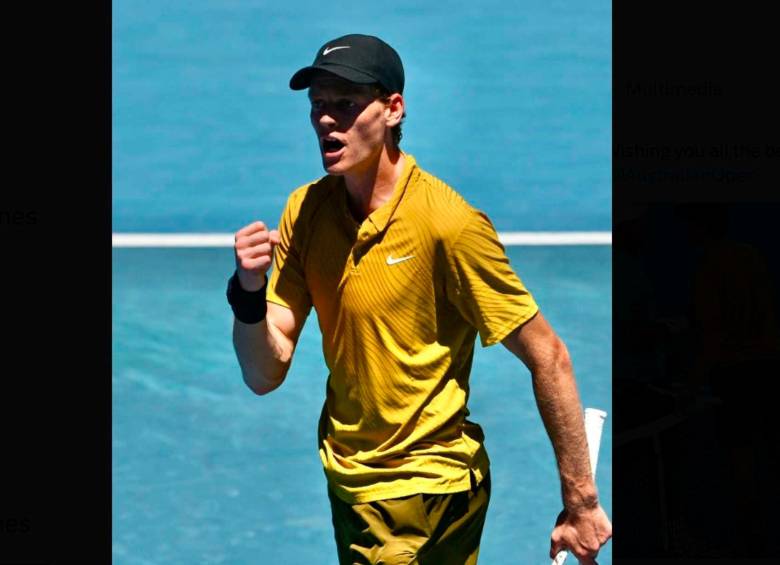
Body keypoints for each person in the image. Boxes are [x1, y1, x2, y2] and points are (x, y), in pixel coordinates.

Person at [227, 33, 612, 565]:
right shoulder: (307, 211)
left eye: (345, 104)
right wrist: (247, 294)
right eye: (318, 105)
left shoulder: (448, 224)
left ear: (392, 109)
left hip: (421, 489)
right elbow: (264, 373)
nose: (325, 120)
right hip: (355, 485)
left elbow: (548, 354)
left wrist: (582, 500)